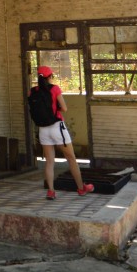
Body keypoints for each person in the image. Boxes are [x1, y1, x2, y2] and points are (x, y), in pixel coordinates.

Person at [34, 65, 94, 200]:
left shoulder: (33, 91)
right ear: (50, 76)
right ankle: (81, 188)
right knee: (71, 158)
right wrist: (55, 110)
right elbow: (65, 108)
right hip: (57, 127)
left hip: (43, 130)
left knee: (49, 161)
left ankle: (51, 191)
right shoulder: (54, 89)